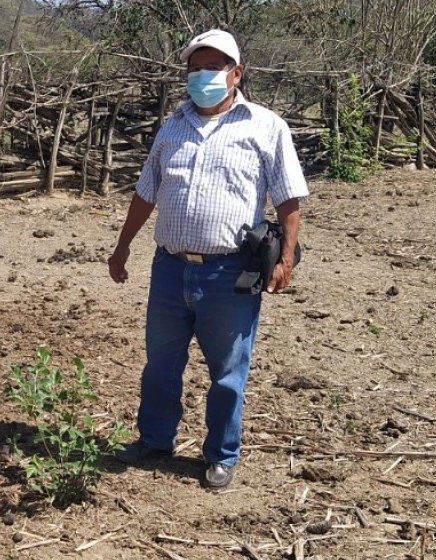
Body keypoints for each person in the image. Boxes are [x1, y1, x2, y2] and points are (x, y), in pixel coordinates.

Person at [107, 28, 309, 490]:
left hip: (229, 272)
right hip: (170, 266)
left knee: (228, 371)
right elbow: (146, 193)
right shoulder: (173, 127)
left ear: (236, 74)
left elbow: (288, 199)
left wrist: (287, 259)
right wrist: (122, 248)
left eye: (213, 67)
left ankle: (221, 453)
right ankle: (155, 440)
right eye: (195, 68)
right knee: (161, 363)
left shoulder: (265, 126)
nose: (202, 76)